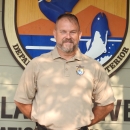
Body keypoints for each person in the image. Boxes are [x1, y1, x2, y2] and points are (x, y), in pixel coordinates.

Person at [14, 14, 115, 130]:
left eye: (73, 32)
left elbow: (107, 104)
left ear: (79, 35)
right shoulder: (37, 64)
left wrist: (85, 123)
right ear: (55, 34)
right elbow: (21, 100)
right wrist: (40, 120)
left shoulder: (94, 67)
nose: (68, 36)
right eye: (63, 32)